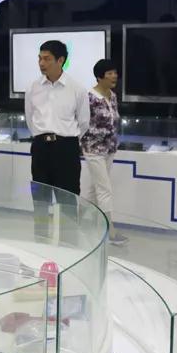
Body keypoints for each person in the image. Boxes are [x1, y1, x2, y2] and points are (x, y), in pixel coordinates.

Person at [24, 40, 90, 220]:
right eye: (39, 58)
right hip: (40, 148)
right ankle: (40, 237)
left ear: (60, 60)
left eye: (47, 59)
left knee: (68, 200)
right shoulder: (32, 88)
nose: (41, 63)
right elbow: (30, 119)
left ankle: (69, 238)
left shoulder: (77, 88)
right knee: (40, 200)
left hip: (66, 149)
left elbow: (84, 122)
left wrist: (67, 140)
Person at [80, 59, 127, 245]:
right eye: (109, 73)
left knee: (94, 188)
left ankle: (80, 221)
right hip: (93, 149)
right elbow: (82, 122)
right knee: (104, 189)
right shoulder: (89, 97)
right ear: (100, 77)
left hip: (109, 148)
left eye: (115, 72)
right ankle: (110, 230)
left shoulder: (112, 96)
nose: (114, 76)